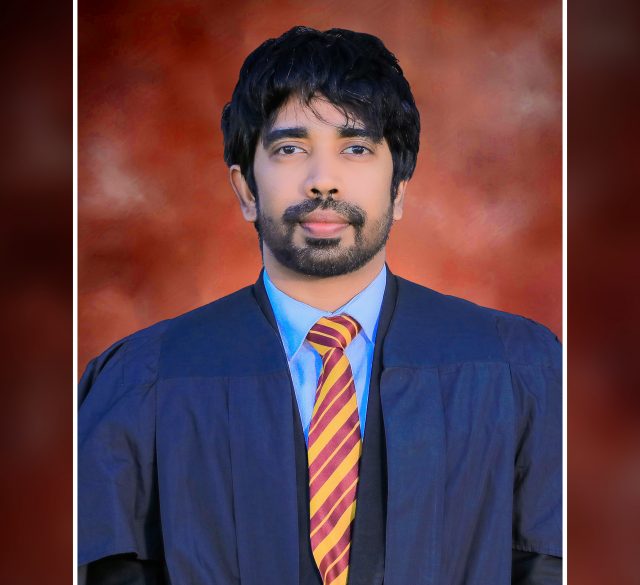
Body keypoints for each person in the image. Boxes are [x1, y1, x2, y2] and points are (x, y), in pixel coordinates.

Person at [78, 26, 562, 585]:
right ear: (246, 190)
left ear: (399, 190)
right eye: (290, 149)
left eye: (356, 148)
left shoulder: (518, 371)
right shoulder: (142, 383)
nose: (323, 181)